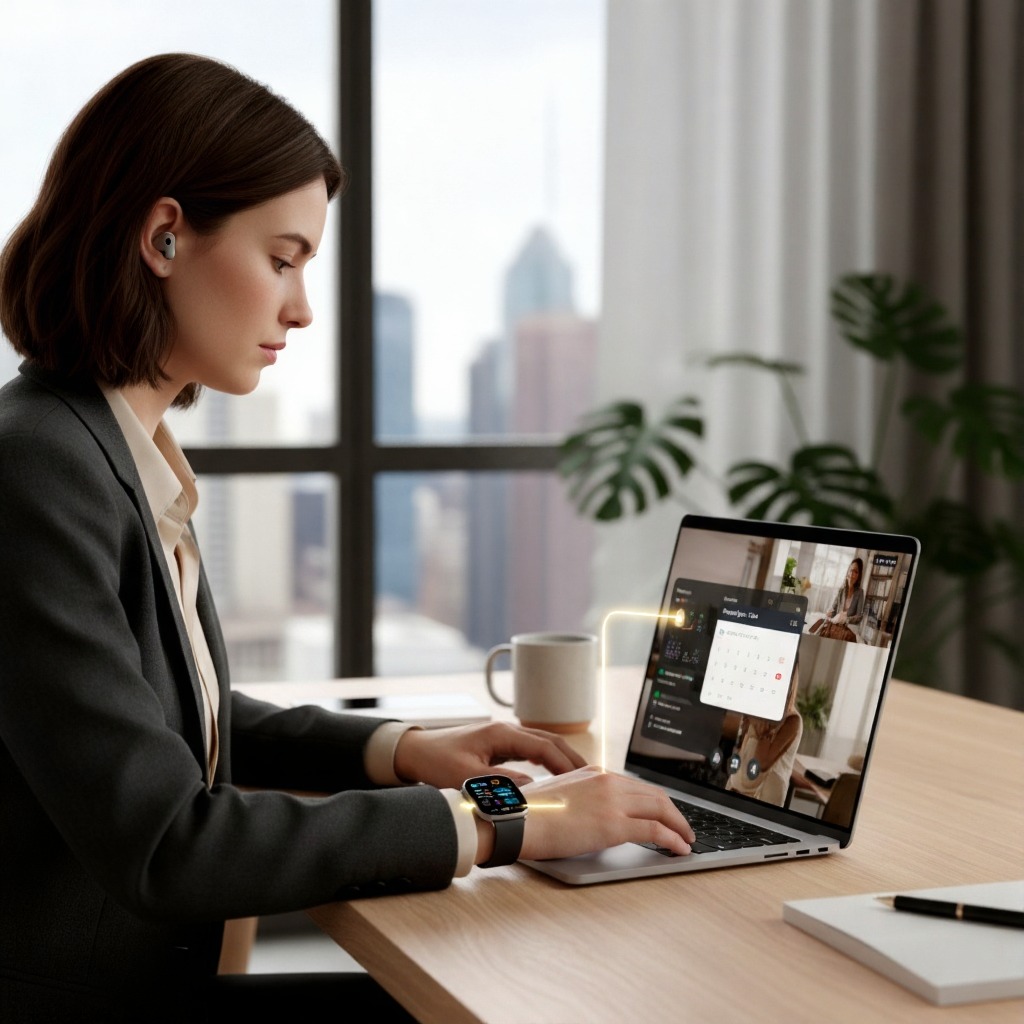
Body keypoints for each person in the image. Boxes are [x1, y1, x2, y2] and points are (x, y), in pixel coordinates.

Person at [0, 54, 694, 1021]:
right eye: (281, 259)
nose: (301, 307)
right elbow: (168, 840)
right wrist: (515, 816)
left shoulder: (103, 449)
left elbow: (165, 723)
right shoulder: (36, 468)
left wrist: (405, 750)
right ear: (163, 236)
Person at [724, 665, 803, 806]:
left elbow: (761, 763)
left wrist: (757, 725)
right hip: (739, 786)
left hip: (766, 796)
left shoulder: (792, 721)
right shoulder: (758, 708)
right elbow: (742, 749)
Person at [821, 557, 865, 642]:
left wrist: (846, 619)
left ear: (859, 576)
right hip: (837, 625)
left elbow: (859, 617)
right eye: (851, 570)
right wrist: (829, 613)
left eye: (856, 572)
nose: (852, 574)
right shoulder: (841, 590)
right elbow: (833, 609)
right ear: (848, 571)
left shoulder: (860, 592)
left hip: (848, 627)